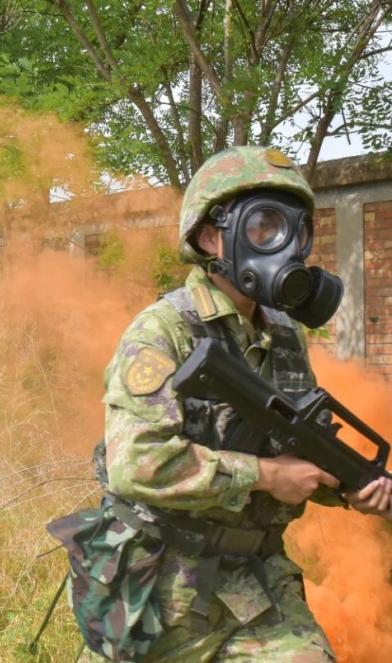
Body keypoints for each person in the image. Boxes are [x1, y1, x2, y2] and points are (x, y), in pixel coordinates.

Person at [52, 146, 392, 663]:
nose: (284, 246)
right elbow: (135, 463)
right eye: (264, 226)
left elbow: (298, 452)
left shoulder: (285, 335)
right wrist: (264, 475)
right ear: (211, 237)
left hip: (254, 580)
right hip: (156, 584)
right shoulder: (163, 331)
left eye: (296, 230)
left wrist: (350, 488)